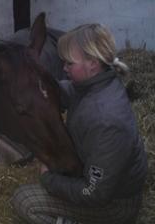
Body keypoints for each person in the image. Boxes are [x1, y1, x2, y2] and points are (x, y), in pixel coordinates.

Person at [10, 23, 148, 224]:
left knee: (24, 201)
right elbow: (67, 92)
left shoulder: (107, 121)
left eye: (69, 64)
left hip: (115, 204)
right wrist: (39, 82)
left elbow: (94, 193)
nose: (64, 68)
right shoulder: (98, 82)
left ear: (92, 63)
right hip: (98, 176)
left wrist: (50, 179)